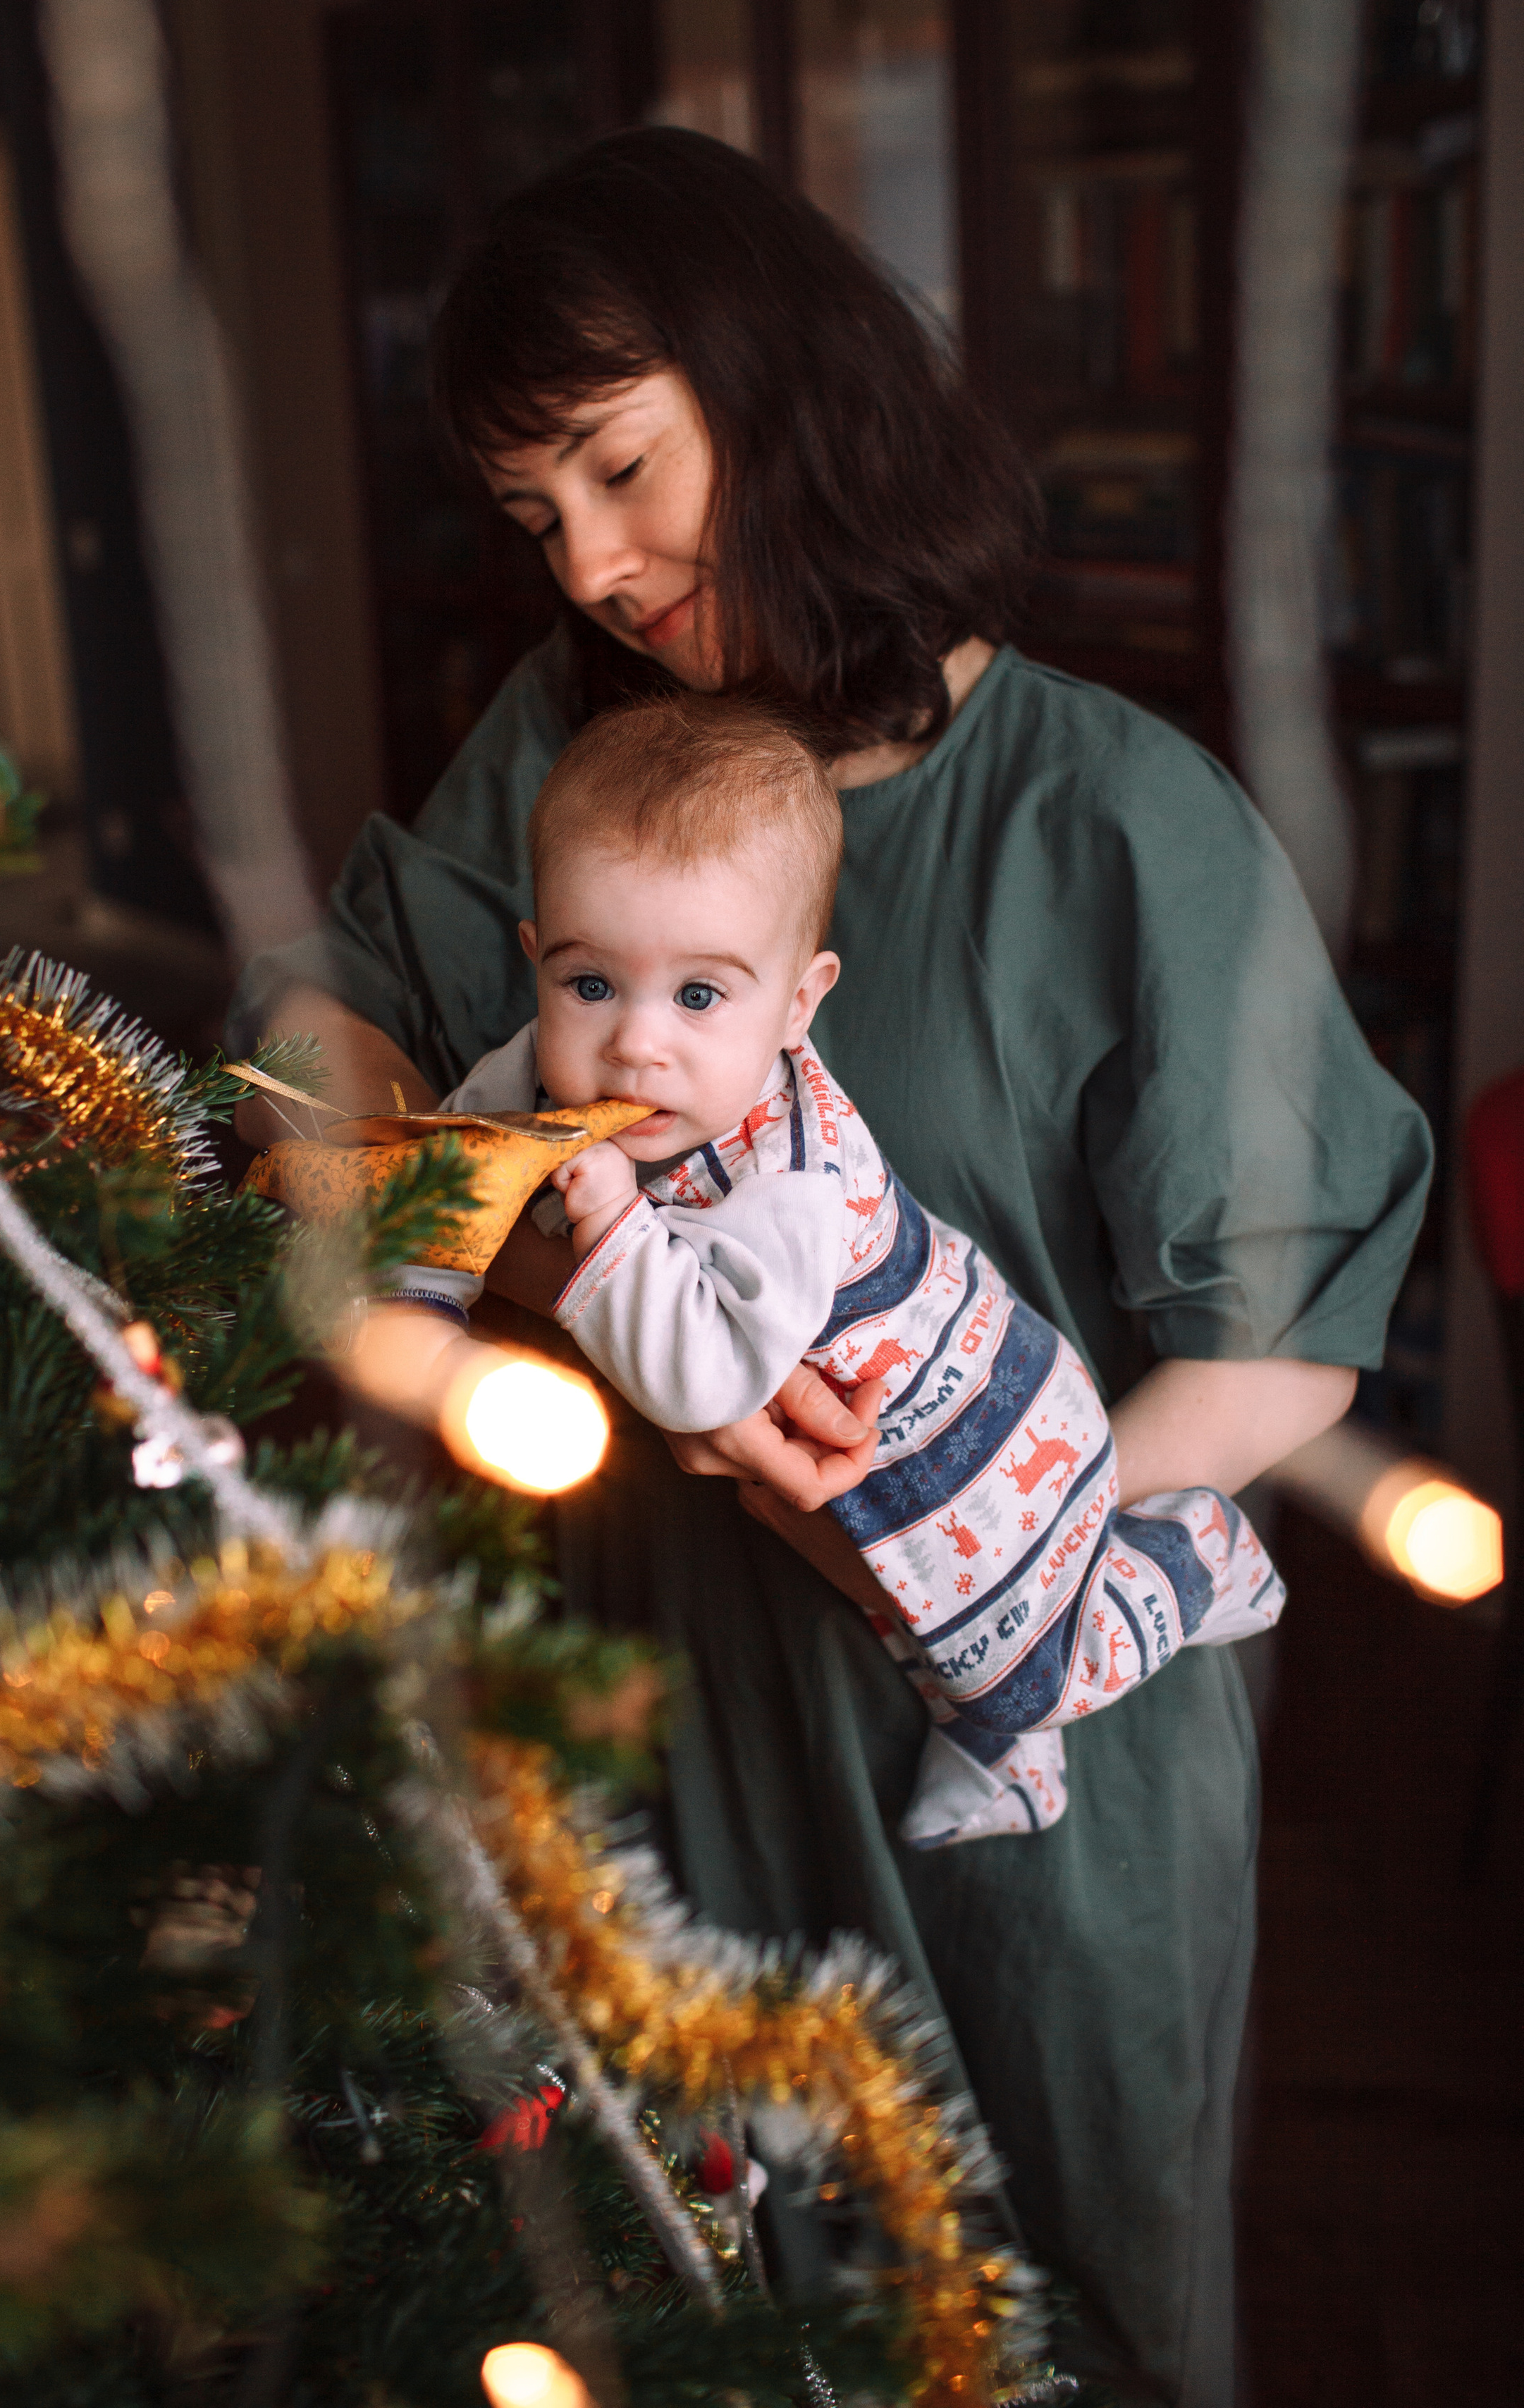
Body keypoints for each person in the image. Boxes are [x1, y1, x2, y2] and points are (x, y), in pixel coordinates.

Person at [231, 128, 1432, 2404]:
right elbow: (336, 1014)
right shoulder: (572, 761)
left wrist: (937, 1530)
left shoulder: (1116, 821)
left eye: (615, 464)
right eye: (529, 515)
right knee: (697, 2288)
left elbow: (1281, 1338)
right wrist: (386, 1164)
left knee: (1048, 2319)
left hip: (1017, 1744)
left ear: (776, 389)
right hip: (663, 1708)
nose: (587, 564)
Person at [386, 692, 1286, 1852]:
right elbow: (460, 1167)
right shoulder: (550, 1065)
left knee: (1013, 1659)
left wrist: (610, 1220)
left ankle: (1195, 1560)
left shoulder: (800, 1175)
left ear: (799, 1001)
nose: (636, 1043)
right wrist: (425, 1295)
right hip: (837, 1456)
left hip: (970, 1419)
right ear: (540, 963)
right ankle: (1014, 1765)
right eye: (589, 983)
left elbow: (706, 1384)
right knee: (884, 1594)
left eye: (701, 995)